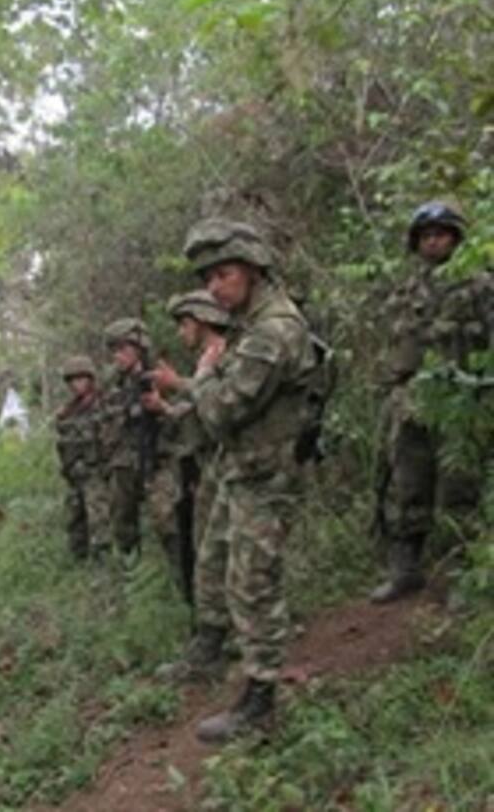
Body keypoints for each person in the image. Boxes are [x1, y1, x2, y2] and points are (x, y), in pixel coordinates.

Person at [152, 219, 317, 743]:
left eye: (224, 274)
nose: (215, 288)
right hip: (244, 469)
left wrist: (200, 378)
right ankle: (211, 650)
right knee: (216, 561)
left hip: (267, 474)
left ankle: (260, 699)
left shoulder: (273, 331)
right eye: (210, 278)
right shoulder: (250, 324)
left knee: (253, 583)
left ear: (253, 269)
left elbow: (222, 411)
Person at [370, 200, 492, 603]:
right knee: (407, 487)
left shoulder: (480, 286)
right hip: (411, 399)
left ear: (456, 238)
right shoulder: (406, 290)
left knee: (461, 489)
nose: (433, 242)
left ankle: (462, 574)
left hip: (461, 397)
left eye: (441, 234)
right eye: (426, 236)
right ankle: (406, 569)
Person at [142, 291, 231, 604]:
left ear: (202, 321)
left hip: (227, 463)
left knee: (220, 552)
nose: (181, 333)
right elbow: (195, 407)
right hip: (205, 464)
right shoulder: (206, 359)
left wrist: (178, 383)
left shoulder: (223, 354)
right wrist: (165, 407)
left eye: (184, 324)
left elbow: (222, 404)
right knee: (207, 548)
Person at [102, 319, 160, 561]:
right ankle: (131, 566)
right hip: (125, 461)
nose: (118, 356)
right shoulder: (116, 386)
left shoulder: (157, 379)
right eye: (114, 350)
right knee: (122, 517)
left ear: (140, 348)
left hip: (158, 459)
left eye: (123, 349)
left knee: (166, 522)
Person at [54, 355, 110, 562]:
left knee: (99, 519)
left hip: (95, 471)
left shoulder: (102, 405)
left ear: (90, 379)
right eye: (72, 380)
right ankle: (78, 561)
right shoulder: (68, 411)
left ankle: (101, 563)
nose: (76, 385)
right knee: (75, 518)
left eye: (80, 379)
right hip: (74, 472)